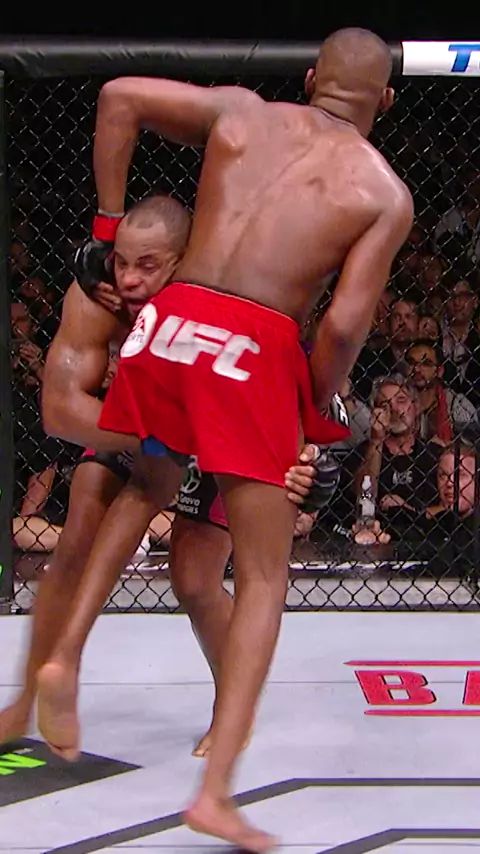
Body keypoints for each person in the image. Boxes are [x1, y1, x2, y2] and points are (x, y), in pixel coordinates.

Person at [39, 27, 413, 852]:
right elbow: (343, 325)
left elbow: (119, 99)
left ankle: (64, 655)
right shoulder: (383, 193)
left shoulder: (242, 113)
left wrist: (105, 227)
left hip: (171, 321)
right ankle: (215, 795)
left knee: (146, 483)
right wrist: (305, 409)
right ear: (385, 100)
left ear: (311, 78)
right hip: (255, 339)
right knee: (268, 574)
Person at [0, 194, 324, 758]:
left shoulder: (221, 294)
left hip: (227, 425)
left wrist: (306, 451)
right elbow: (59, 410)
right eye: (121, 262)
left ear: (183, 260)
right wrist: (154, 436)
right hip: (145, 425)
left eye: (147, 266)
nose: (127, 279)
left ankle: (233, 708)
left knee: (194, 578)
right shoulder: (97, 296)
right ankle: (38, 690)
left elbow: (287, 375)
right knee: (80, 528)